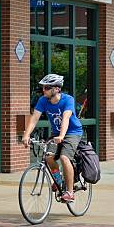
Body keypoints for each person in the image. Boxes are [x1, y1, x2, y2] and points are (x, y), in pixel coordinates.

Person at [22, 74, 84, 203]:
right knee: (48, 156)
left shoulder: (68, 100)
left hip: (73, 132)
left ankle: (70, 192)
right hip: (56, 133)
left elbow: (66, 118)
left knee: (64, 157)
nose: (43, 90)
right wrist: (26, 134)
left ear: (56, 89)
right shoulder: (43, 100)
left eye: (47, 87)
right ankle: (58, 180)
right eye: (43, 87)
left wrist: (62, 136)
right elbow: (34, 119)